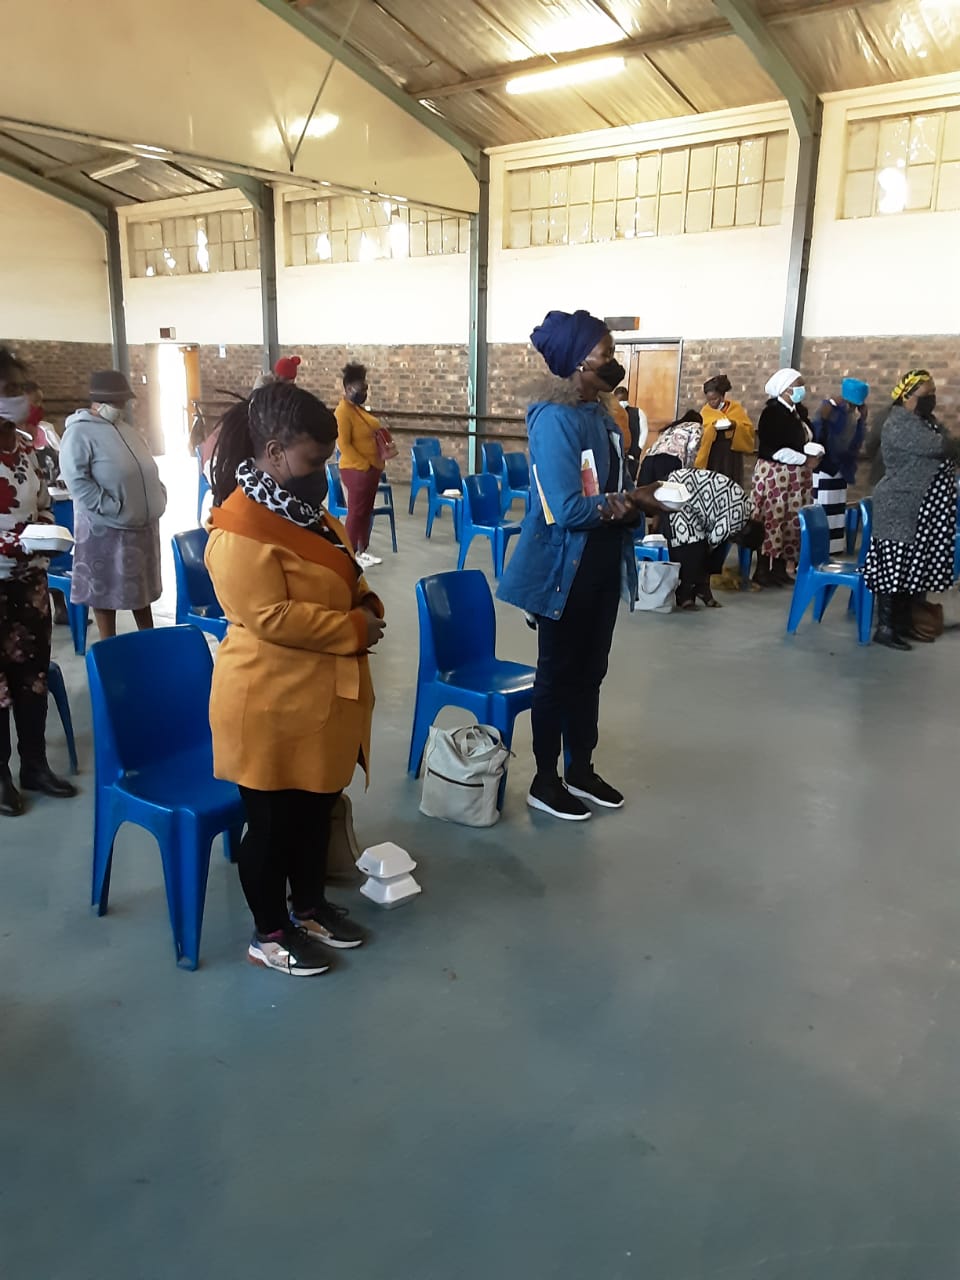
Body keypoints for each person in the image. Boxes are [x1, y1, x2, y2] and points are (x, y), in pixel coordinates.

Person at [206, 380, 385, 975]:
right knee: (272, 826)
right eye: (314, 460)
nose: (322, 472)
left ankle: (308, 907)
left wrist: (366, 599)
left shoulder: (306, 514)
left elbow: (340, 570)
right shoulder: (238, 530)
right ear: (276, 452)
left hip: (317, 697)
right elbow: (268, 616)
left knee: (314, 810)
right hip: (268, 702)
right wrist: (354, 629)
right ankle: (268, 932)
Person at [497, 309, 662, 822]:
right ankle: (545, 780)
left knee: (591, 671)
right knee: (557, 676)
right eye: (604, 356)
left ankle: (581, 767)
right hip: (563, 569)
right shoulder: (555, 418)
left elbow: (604, 486)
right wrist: (633, 498)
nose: (613, 365)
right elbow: (566, 507)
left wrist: (634, 501)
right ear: (575, 365)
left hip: (600, 561)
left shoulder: (597, 412)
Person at [0, 347, 77, 816]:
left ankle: (35, 764)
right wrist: (15, 544)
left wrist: (47, 532)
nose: (18, 400)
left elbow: (41, 503)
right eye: (7, 392)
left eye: (18, 391)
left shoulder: (27, 446)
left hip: (29, 583)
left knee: (31, 679)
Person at [59, 371, 167, 641]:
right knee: (104, 590)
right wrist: (109, 506)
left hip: (140, 524)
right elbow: (76, 479)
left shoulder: (126, 430)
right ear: (98, 401)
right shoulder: (79, 432)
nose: (119, 406)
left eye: (122, 401)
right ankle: (109, 646)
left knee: (140, 589)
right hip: (106, 527)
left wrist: (158, 494)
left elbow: (146, 468)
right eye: (115, 401)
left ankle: (149, 639)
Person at [864, 370, 960, 650]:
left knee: (910, 568)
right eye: (926, 395)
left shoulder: (924, 421)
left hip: (917, 507)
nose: (931, 399)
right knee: (893, 568)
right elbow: (941, 445)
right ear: (906, 397)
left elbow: (947, 441)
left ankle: (904, 622)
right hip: (898, 505)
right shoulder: (899, 423)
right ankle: (885, 627)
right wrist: (951, 445)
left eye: (932, 394)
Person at [646, 454, 752, 609]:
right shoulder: (738, 518)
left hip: (686, 490)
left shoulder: (745, 508)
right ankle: (685, 593)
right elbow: (714, 539)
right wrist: (703, 557)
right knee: (692, 543)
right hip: (678, 492)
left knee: (707, 545)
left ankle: (702, 587)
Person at [751, 367, 818, 588]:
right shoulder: (772, 413)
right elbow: (773, 447)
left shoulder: (798, 413)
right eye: (798, 385)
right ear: (786, 389)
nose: (801, 390)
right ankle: (762, 569)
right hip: (776, 476)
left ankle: (779, 568)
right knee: (772, 520)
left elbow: (803, 438)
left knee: (789, 523)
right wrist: (804, 460)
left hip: (795, 479)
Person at [335, 362, 394, 571]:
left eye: (366, 389)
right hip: (356, 469)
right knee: (356, 512)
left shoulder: (359, 411)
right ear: (348, 388)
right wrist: (363, 465)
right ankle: (350, 553)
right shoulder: (342, 412)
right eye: (360, 389)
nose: (364, 393)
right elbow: (343, 444)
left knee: (366, 511)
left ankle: (362, 549)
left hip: (371, 469)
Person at [812, 377, 869, 555]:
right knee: (824, 510)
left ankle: (834, 548)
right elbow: (833, 441)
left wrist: (862, 420)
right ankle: (822, 547)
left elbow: (854, 443)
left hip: (840, 470)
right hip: (826, 468)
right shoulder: (829, 411)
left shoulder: (849, 415)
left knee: (836, 512)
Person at [696, 374, 755, 483]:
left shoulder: (736, 409)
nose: (712, 402)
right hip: (714, 452)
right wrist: (712, 427)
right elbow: (701, 431)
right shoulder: (705, 411)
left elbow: (747, 429)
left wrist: (735, 425)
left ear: (722, 396)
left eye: (715, 399)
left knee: (731, 481)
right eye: (709, 400)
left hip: (731, 453)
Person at [614, 385, 648, 481]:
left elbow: (644, 432)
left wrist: (638, 449)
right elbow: (644, 432)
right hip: (617, 454)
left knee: (628, 479)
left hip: (632, 455)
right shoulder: (611, 412)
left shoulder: (638, 412)